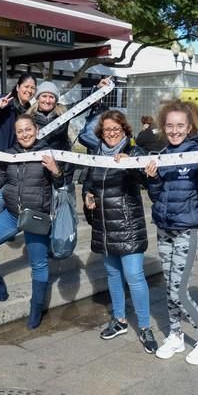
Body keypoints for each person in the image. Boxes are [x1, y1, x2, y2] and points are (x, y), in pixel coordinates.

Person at [0, 114, 64, 329]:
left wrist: (56, 171)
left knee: (39, 264)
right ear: (15, 134)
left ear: (36, 129)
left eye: (28, 129)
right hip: (11, 214)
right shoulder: (8, 155)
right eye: (20, 131)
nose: (25, 134)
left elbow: (61, 184)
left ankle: (36, 308)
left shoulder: (48, 153)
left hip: (36, 217)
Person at [144, 101, 198, 364]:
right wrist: (153, 179)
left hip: (186, 230)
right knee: (170, 287)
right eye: (169, 125)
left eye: (180, 125)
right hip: (164, 228)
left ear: (190, 127)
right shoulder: (164, 154)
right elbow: (157, 196)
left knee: (179, 291)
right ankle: (175, 335)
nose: (174, 130)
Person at [82, 110, 158, 354]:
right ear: (101, 133)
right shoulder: (96, 153)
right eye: (107, 130)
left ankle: (145, 327)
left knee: (134, 275)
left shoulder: (135, 153)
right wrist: (88, 195)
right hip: (104, 224)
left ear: (125, 131)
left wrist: (132, 166)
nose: (111, 134)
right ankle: (120, 320)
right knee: (113, 274)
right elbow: (88, 181)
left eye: (116, 129)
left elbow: (148, 183)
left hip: (128, 224)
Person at [27, 78, 111, 186]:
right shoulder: (28, 118)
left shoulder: (64, 112)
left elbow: (84, 104)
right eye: (44, 96)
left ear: (56, 99)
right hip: (38, 171)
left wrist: (97, 89)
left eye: (51, 97)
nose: (47, 101)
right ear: (38, 98)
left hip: (63, 169)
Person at [0, 74, 36, 219]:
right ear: (18, 87)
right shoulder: (5, 100)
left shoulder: (28, 110)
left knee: (8, 192)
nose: (29, 90)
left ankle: (1, 224)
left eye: (33, 88)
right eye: (26, 86)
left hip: (10, 159)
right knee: (3, 191)